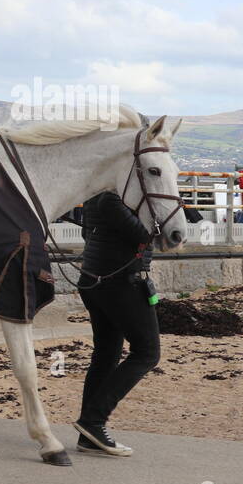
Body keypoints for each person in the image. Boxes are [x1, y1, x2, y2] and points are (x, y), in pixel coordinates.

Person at [72, 191, 161, 457]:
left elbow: (87, 234)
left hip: (93, 277)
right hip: (121, 282)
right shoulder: (113, 198)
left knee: (106, 354)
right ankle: (93, 420)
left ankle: (89, 435)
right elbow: (147, 235)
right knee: (147, 353)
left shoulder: (95, 193)